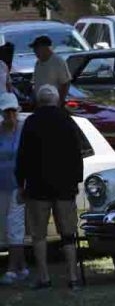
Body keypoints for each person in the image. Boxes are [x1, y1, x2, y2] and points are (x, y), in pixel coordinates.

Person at [15, 85, 83, 290]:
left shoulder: (31, 122)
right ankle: (73, 277)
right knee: (68, 233)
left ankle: (44, 277)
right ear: (56, 100)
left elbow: (23, 156)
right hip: (64, 187)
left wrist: (21, 183)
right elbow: (76, 154)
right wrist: (76, 182)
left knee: (39, 234)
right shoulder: (67, 121)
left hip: (38, 187)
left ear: (38, 100)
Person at [0, 93, 28, 285]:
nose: (10, 115)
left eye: (12, 111)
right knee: (5, 226)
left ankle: (11, 269)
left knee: (15, 225)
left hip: (19, 185)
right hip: (1, 185)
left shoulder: (23, 130)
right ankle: (22, 267)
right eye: (6, 112)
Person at [31, 35, 71, 106]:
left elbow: (65, 83)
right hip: (40, 104)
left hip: (53, 104)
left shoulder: (58, 61)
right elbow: (35, 82)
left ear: (45, 48)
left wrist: (59, 102)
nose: (35, 51)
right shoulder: (38, 63)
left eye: (37, 48)